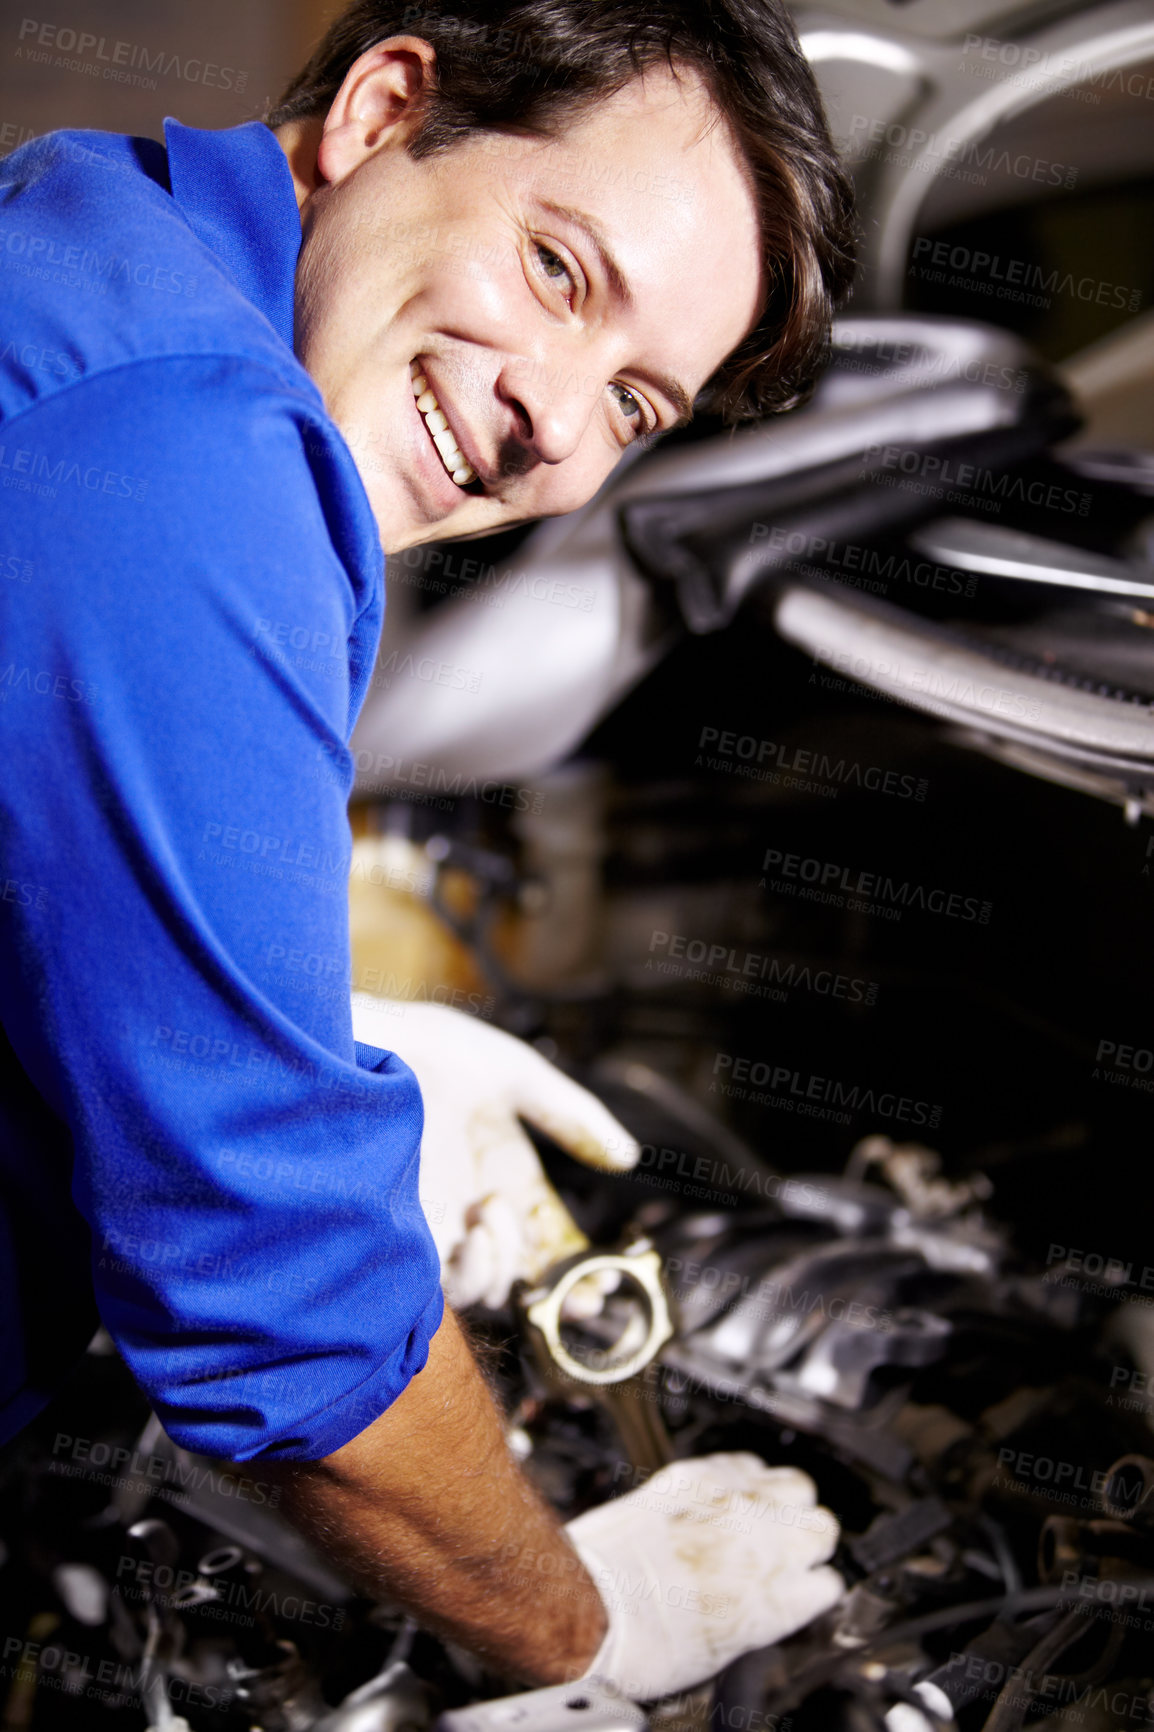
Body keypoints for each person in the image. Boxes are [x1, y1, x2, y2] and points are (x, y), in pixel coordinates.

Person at [0, 0, 856, 1698]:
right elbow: (281, 1320)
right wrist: (587, 1628)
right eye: (558, 268)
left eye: (635, 401)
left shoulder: (99, 235)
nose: (553, 422)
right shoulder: (198, 454)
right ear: (386, 106)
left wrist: (307, 1040)